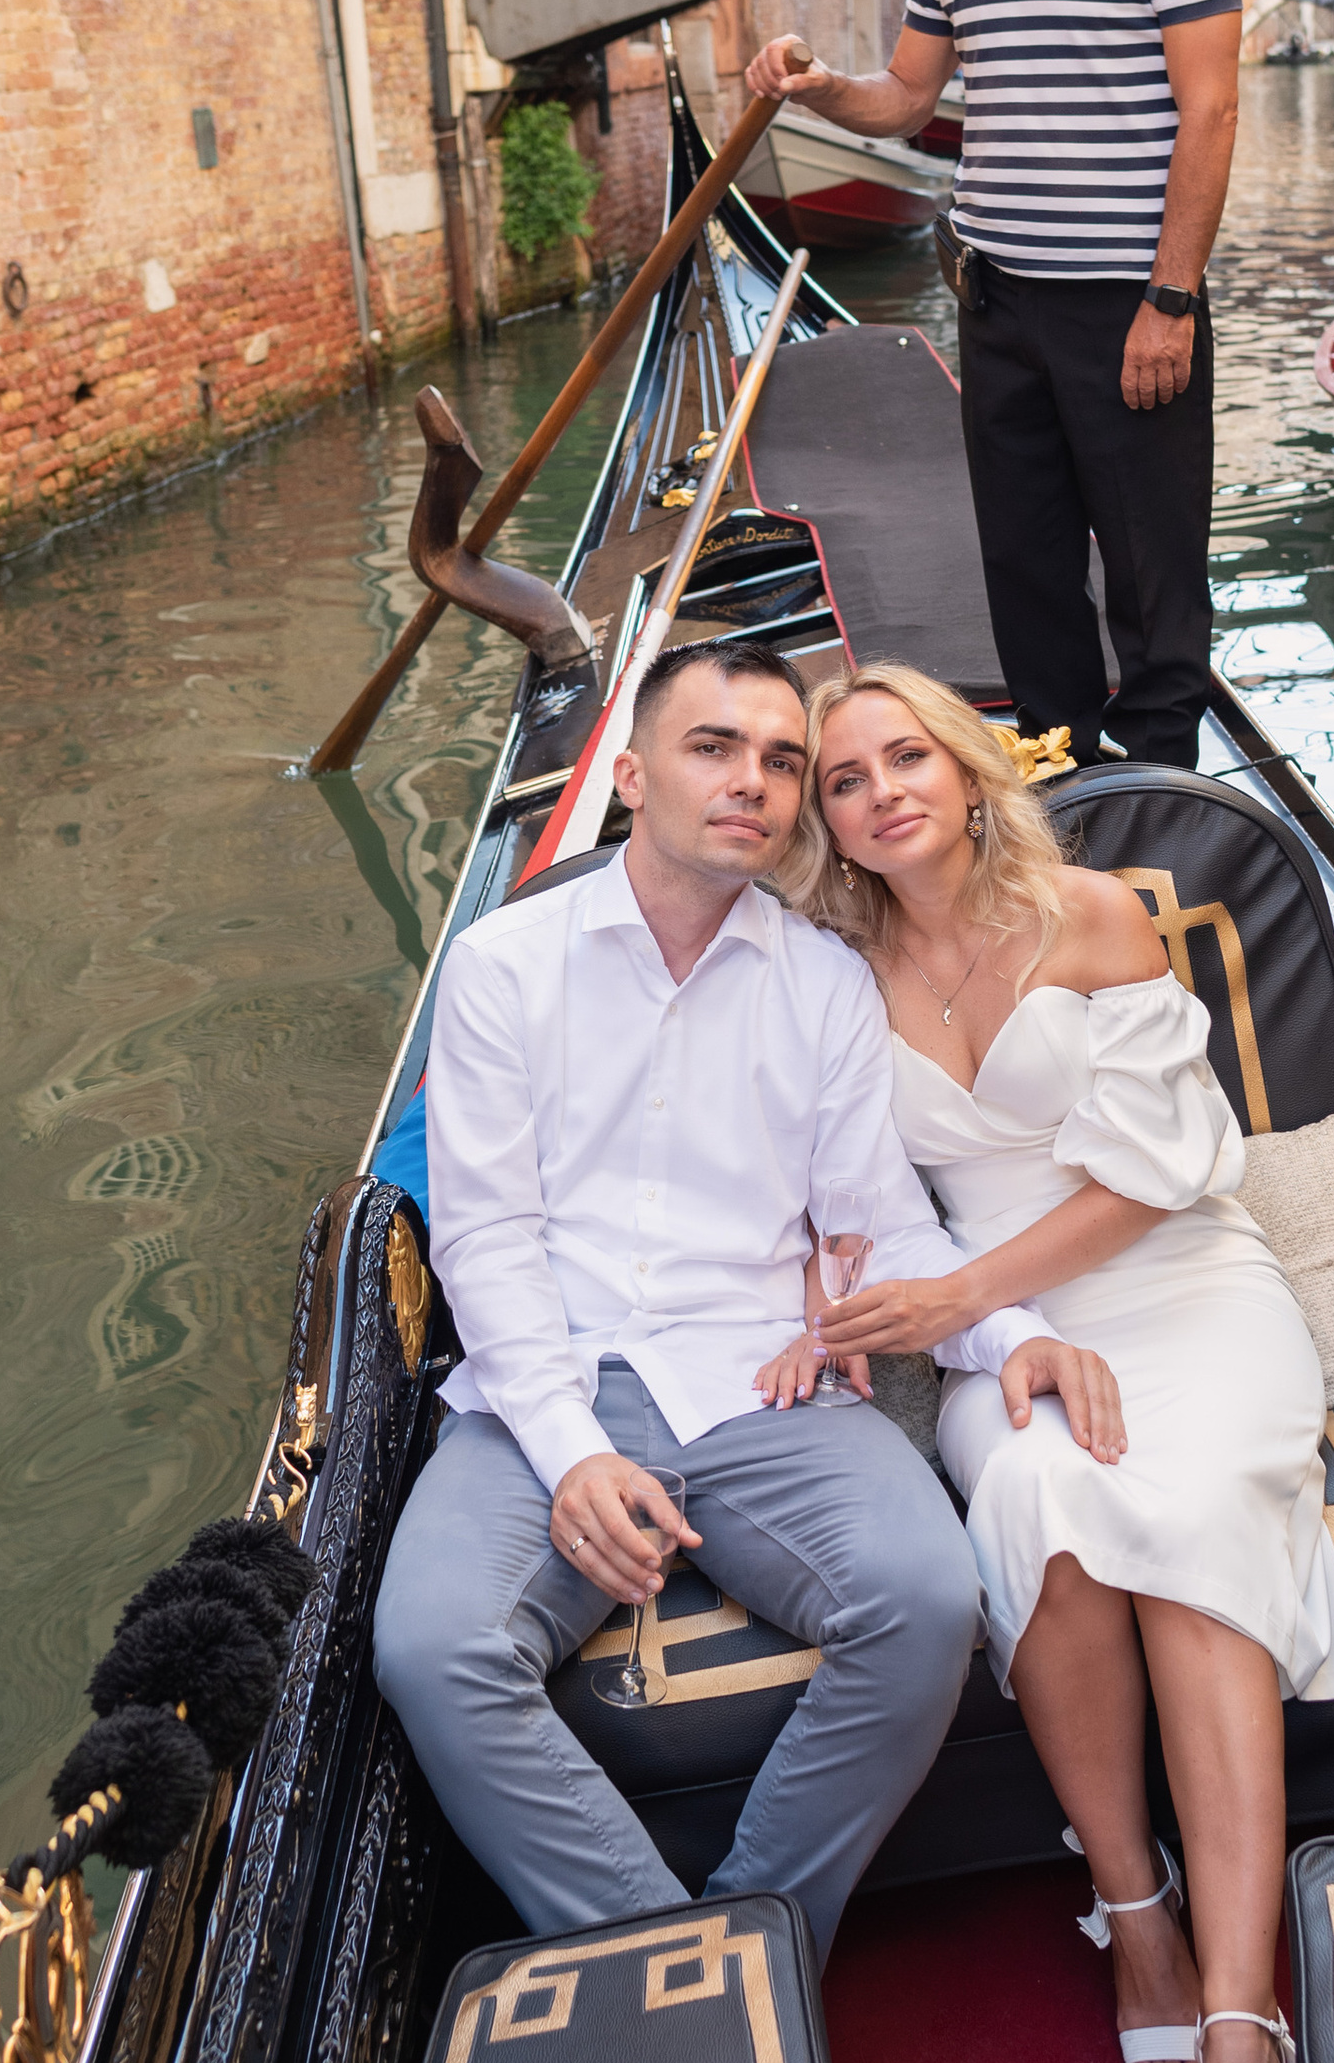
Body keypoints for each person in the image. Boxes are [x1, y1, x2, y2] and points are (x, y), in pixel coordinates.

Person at [371, 633, 1119, 1967]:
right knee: (435, 1650)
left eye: (783, 760)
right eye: (714, 747)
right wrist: (573, 1453)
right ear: (633, 773)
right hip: (544, 1382)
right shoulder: (502, 965)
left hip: (763, 1387)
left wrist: (1015, 1335)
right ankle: (673, 1964)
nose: (753, 782)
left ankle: (760, 1939)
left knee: (925, 1598)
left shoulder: (825, 982)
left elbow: (880, 1227)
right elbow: (487, 1241)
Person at [777, 658, 1334, 2063]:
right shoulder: (825, 971)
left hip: (1181, 1284)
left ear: (969, 770)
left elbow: (1166, 1170)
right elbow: (843, 1188)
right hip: (1013, 1331)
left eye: (909, 755)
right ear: (824, 816)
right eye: (844, 776)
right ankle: (1136, 1910)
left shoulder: (1095, 914)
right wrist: (943, 1303)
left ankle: (1245, 2036)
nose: (882, 788)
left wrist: (959, 1283)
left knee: (1180, 1516)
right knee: (1041, 1495)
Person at [744, 0, 1242, 771]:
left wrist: (1170, 299)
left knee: (1152, 572)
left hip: (1129, 300)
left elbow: (1209, 114)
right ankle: (1061, 779)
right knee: (1022, 567)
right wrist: (818, 88)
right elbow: (908, 99)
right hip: (1000, 301)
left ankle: (1161, 793)